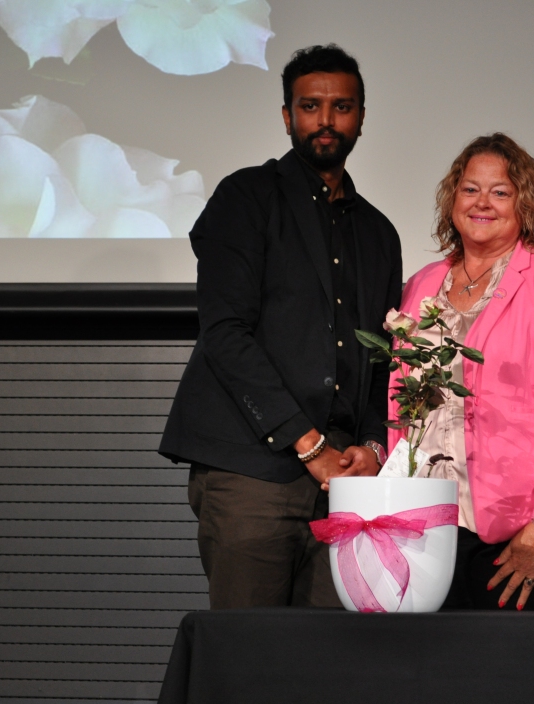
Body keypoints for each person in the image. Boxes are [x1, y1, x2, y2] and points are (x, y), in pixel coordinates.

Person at [159, 45, 403, 609]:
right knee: (249, 658)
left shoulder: (378, 233)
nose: (325, 120)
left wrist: (371, 443)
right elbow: (225, 334)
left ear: (361, 116)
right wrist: (307, 442)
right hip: (252, 471)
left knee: (327, 666)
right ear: (287, 115)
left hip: (344, 481)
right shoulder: (246, 197)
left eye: (341, 106)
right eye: (310, 106)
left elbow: (382, 356)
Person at [389, 133, 534, 612]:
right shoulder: (423, 285)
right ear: (453, 199)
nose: (482, 203)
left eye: (500, 191)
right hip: (428, 529)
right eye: (470, 189)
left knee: (514, 683)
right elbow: (399, 399)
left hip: (525, 536)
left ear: (524, 203)